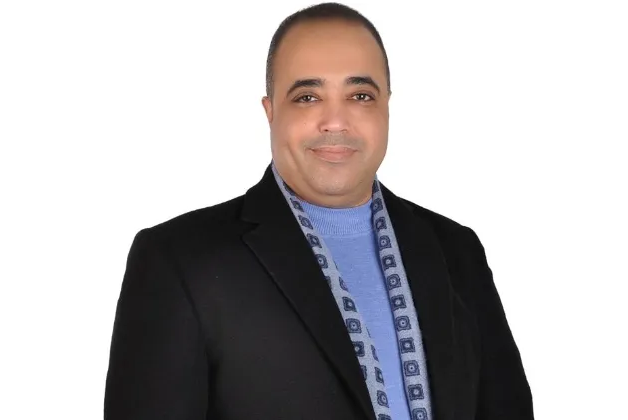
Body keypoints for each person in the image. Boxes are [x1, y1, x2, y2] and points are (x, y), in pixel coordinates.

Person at [103, 2, 534, 419]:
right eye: (307, 97)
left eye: (360, 95)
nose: (335, 121)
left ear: (386, 106)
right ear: (271, 112)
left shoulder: (456, 251)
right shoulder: (181, 261)